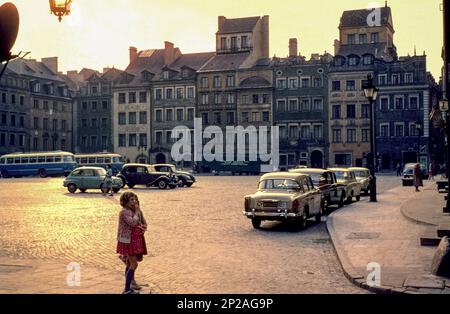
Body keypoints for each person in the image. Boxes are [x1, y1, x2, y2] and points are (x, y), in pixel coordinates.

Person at [116, 192, 148, 294]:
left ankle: (128, 287)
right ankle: (126, 290)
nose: (134, 202)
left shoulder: (135, 211)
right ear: (125, 202)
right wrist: (137, 211)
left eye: (135, 199)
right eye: (131, 200)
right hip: (128, 241)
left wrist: (143, 227)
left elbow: (142, 222)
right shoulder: (124, 212)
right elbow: (133, 222)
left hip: (135, 239)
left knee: (129, 264)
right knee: (134, 264)